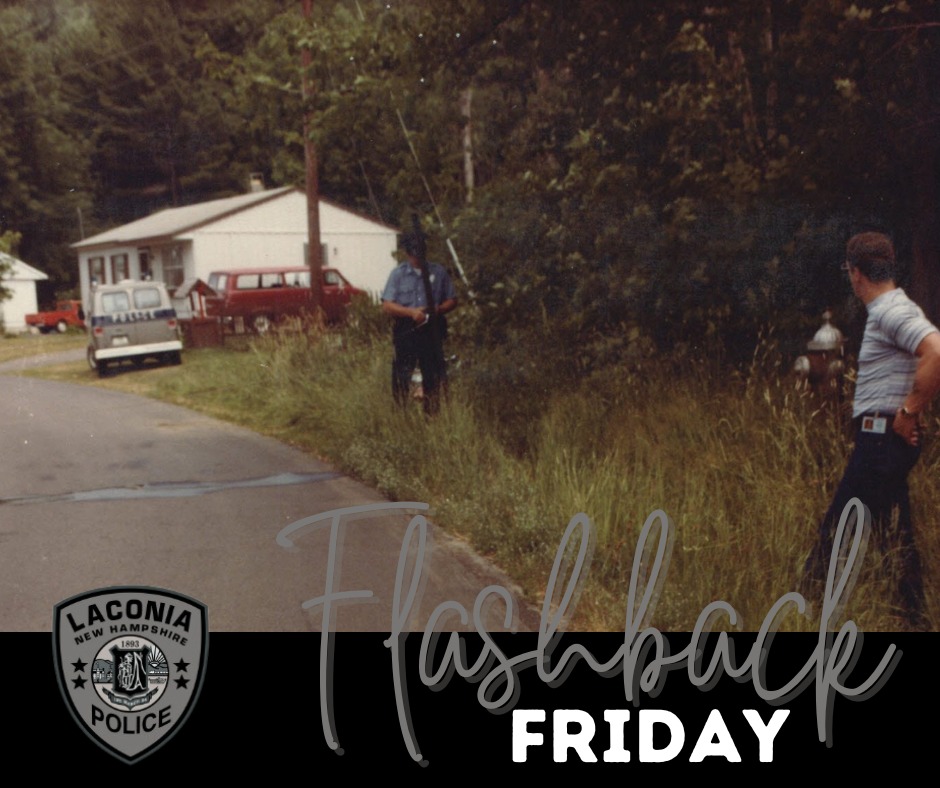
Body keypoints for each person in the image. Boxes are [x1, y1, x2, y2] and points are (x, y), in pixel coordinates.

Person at [802, 232, 940, 629]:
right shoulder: (894, 308)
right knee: (893, 532)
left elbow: (934, 351)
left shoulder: (888, 311)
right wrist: (909, 409)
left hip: (880, 441)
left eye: (851, 271)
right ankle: (912, 618)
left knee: (838, 527)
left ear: (856, 273)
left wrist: (910, 411)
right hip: (884, 439)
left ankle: (801, 611)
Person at [381, 232, 457, 413]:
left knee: (432, 372)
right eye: (414, 254)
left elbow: (452, 299)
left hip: (432, 327)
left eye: (421, 252)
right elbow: (387, 304)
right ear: (408, 253)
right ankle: (401, 413)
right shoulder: (398, 275)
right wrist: (410, 312)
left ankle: (432, 414)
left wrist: (437, 309)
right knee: (402, 373)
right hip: (407, 328)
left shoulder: (438, 272)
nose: (418, 257)